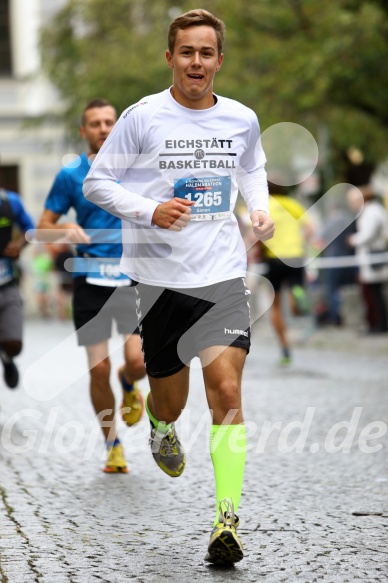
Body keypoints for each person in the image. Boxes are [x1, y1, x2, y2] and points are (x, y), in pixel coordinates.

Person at [83, 10, 274, 564]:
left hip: (220, 277)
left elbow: (252, 168)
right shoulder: (143, 117)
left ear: (220, 59)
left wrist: (258, 210)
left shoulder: (241, 119)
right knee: (170, 397)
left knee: (229, 393)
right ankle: (161, 425)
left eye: (206, 53)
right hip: (159, 281)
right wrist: (150, 210)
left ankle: (226, 521)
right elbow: (98, 183)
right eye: (186, 52)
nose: (197, 62)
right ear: (171, 58)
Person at [36, 99, 146, 473]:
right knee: (98, 370)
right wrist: (64, 228)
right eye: (95, 123)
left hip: (132, 277)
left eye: (109, 122)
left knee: (138, 361)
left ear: (118, 127)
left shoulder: (136, 169)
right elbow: (43, 224)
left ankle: (129, 382)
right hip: (89, 278)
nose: (103, 128)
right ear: (83, 132)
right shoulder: (71, 175)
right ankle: (113, 445)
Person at [258, 181, 313, 365]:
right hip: (295, 256)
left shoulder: (264, 207)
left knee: (275, 306)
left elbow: (255, 234)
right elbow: (310, 228)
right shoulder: (292, 204)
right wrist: (300, 242)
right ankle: (297, 293)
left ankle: (285, 349)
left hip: (274, 258)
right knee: (295, 296)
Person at [0, 183, 34, 389]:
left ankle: (7, 356)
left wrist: (18, 245)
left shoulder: (9, 201)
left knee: (14, 344)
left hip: (7, 280)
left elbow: (31, 229)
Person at [347, 185, 388, 333]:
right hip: (371, 257)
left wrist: (354, 240)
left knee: (375, 294)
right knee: (374, 293)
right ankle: (377, 324)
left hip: (373, 257)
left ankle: (379, 325)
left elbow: (368, 234)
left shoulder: (371, 212)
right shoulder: (373, 210)